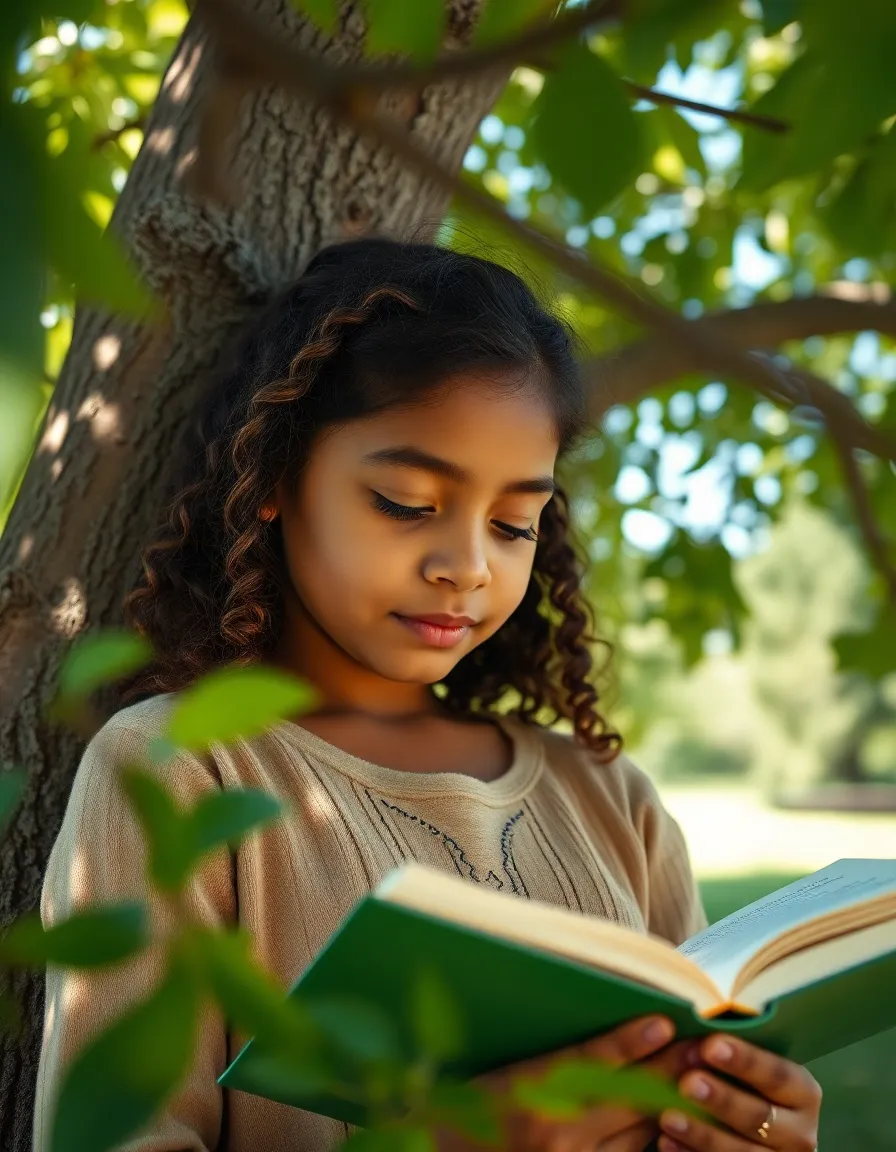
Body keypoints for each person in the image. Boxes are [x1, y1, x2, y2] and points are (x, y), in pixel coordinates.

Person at [32, 238, 822, 1152]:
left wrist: (748, 1124)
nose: (467, 568)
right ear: (274, 480)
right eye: (407, 503)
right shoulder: (175, 773)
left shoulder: (612, 798)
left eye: (514, 522)